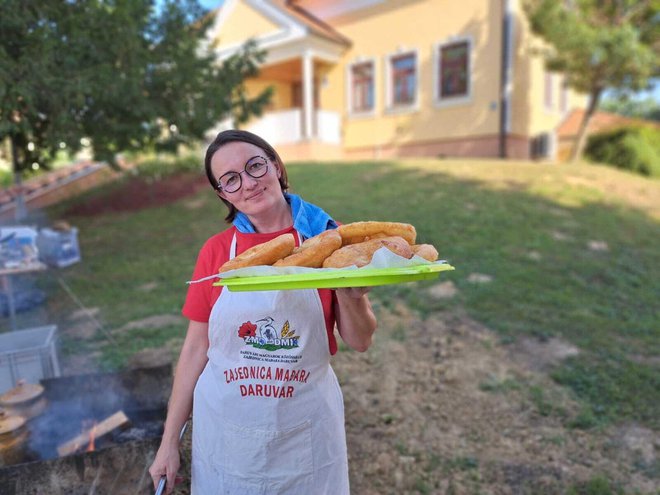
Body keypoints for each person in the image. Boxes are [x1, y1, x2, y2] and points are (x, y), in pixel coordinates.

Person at [149, 129, 377, 494]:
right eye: (231, 179)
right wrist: (168, 442)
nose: (249, 184)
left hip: (304, 432)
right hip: (226, 433)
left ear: (276, 166)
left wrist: (351, 296)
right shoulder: (218, 252)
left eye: (255, 166)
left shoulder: (328, 239)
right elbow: (195, 348)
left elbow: (361, 340)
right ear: (222, 194)